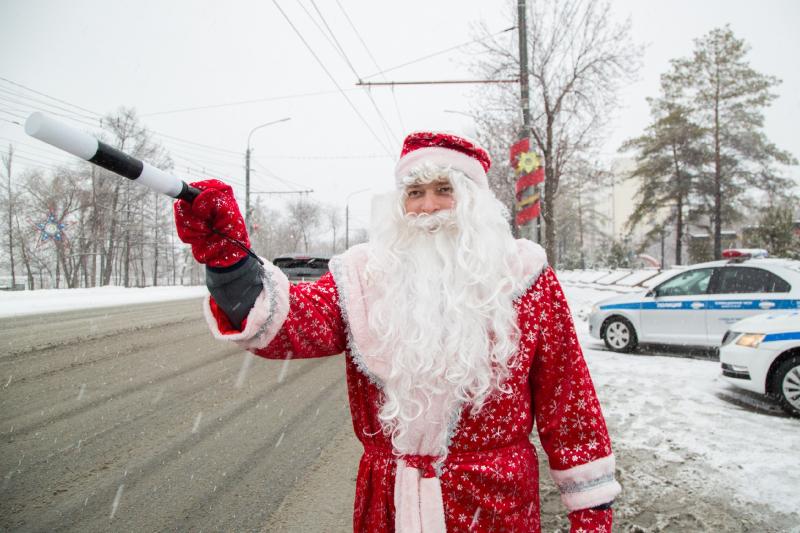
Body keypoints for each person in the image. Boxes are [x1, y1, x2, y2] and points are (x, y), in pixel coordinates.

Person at [173, 131, 621, 532]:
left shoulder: (525, 277)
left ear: (473, 201)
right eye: (416, 192)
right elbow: (290, 325)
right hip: (389, 505)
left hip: (497, 503)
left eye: (444, 190)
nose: (427, 207)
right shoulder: (364, 276)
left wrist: (592, 512)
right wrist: (229, 262)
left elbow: (569, 400)